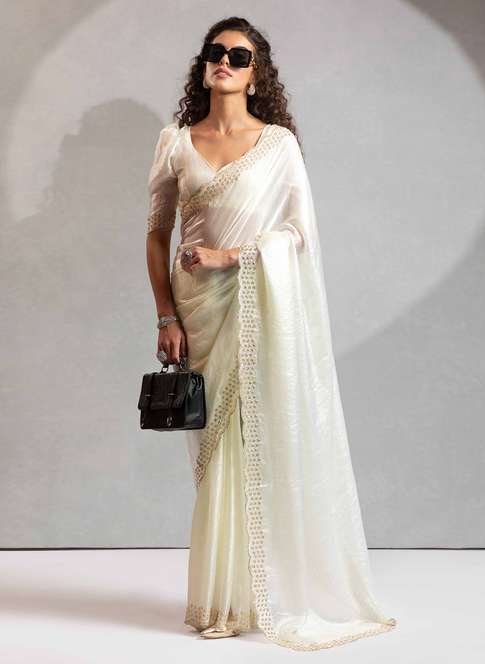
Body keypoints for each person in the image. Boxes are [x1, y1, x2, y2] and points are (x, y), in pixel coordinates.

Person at [145, 16, 397, 651]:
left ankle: (245, 600)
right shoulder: (176, 142)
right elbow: (155, 234)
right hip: (197, 313)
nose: (225, 62)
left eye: (239, 56)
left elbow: (299, 232)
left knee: (248, 440)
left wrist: (231, 256)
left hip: (255, 302)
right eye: (216, 52)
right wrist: (166, 315)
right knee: (211, 449)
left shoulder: (278, 144)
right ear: (203, 66)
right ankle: (222, 598)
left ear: (256, 74)